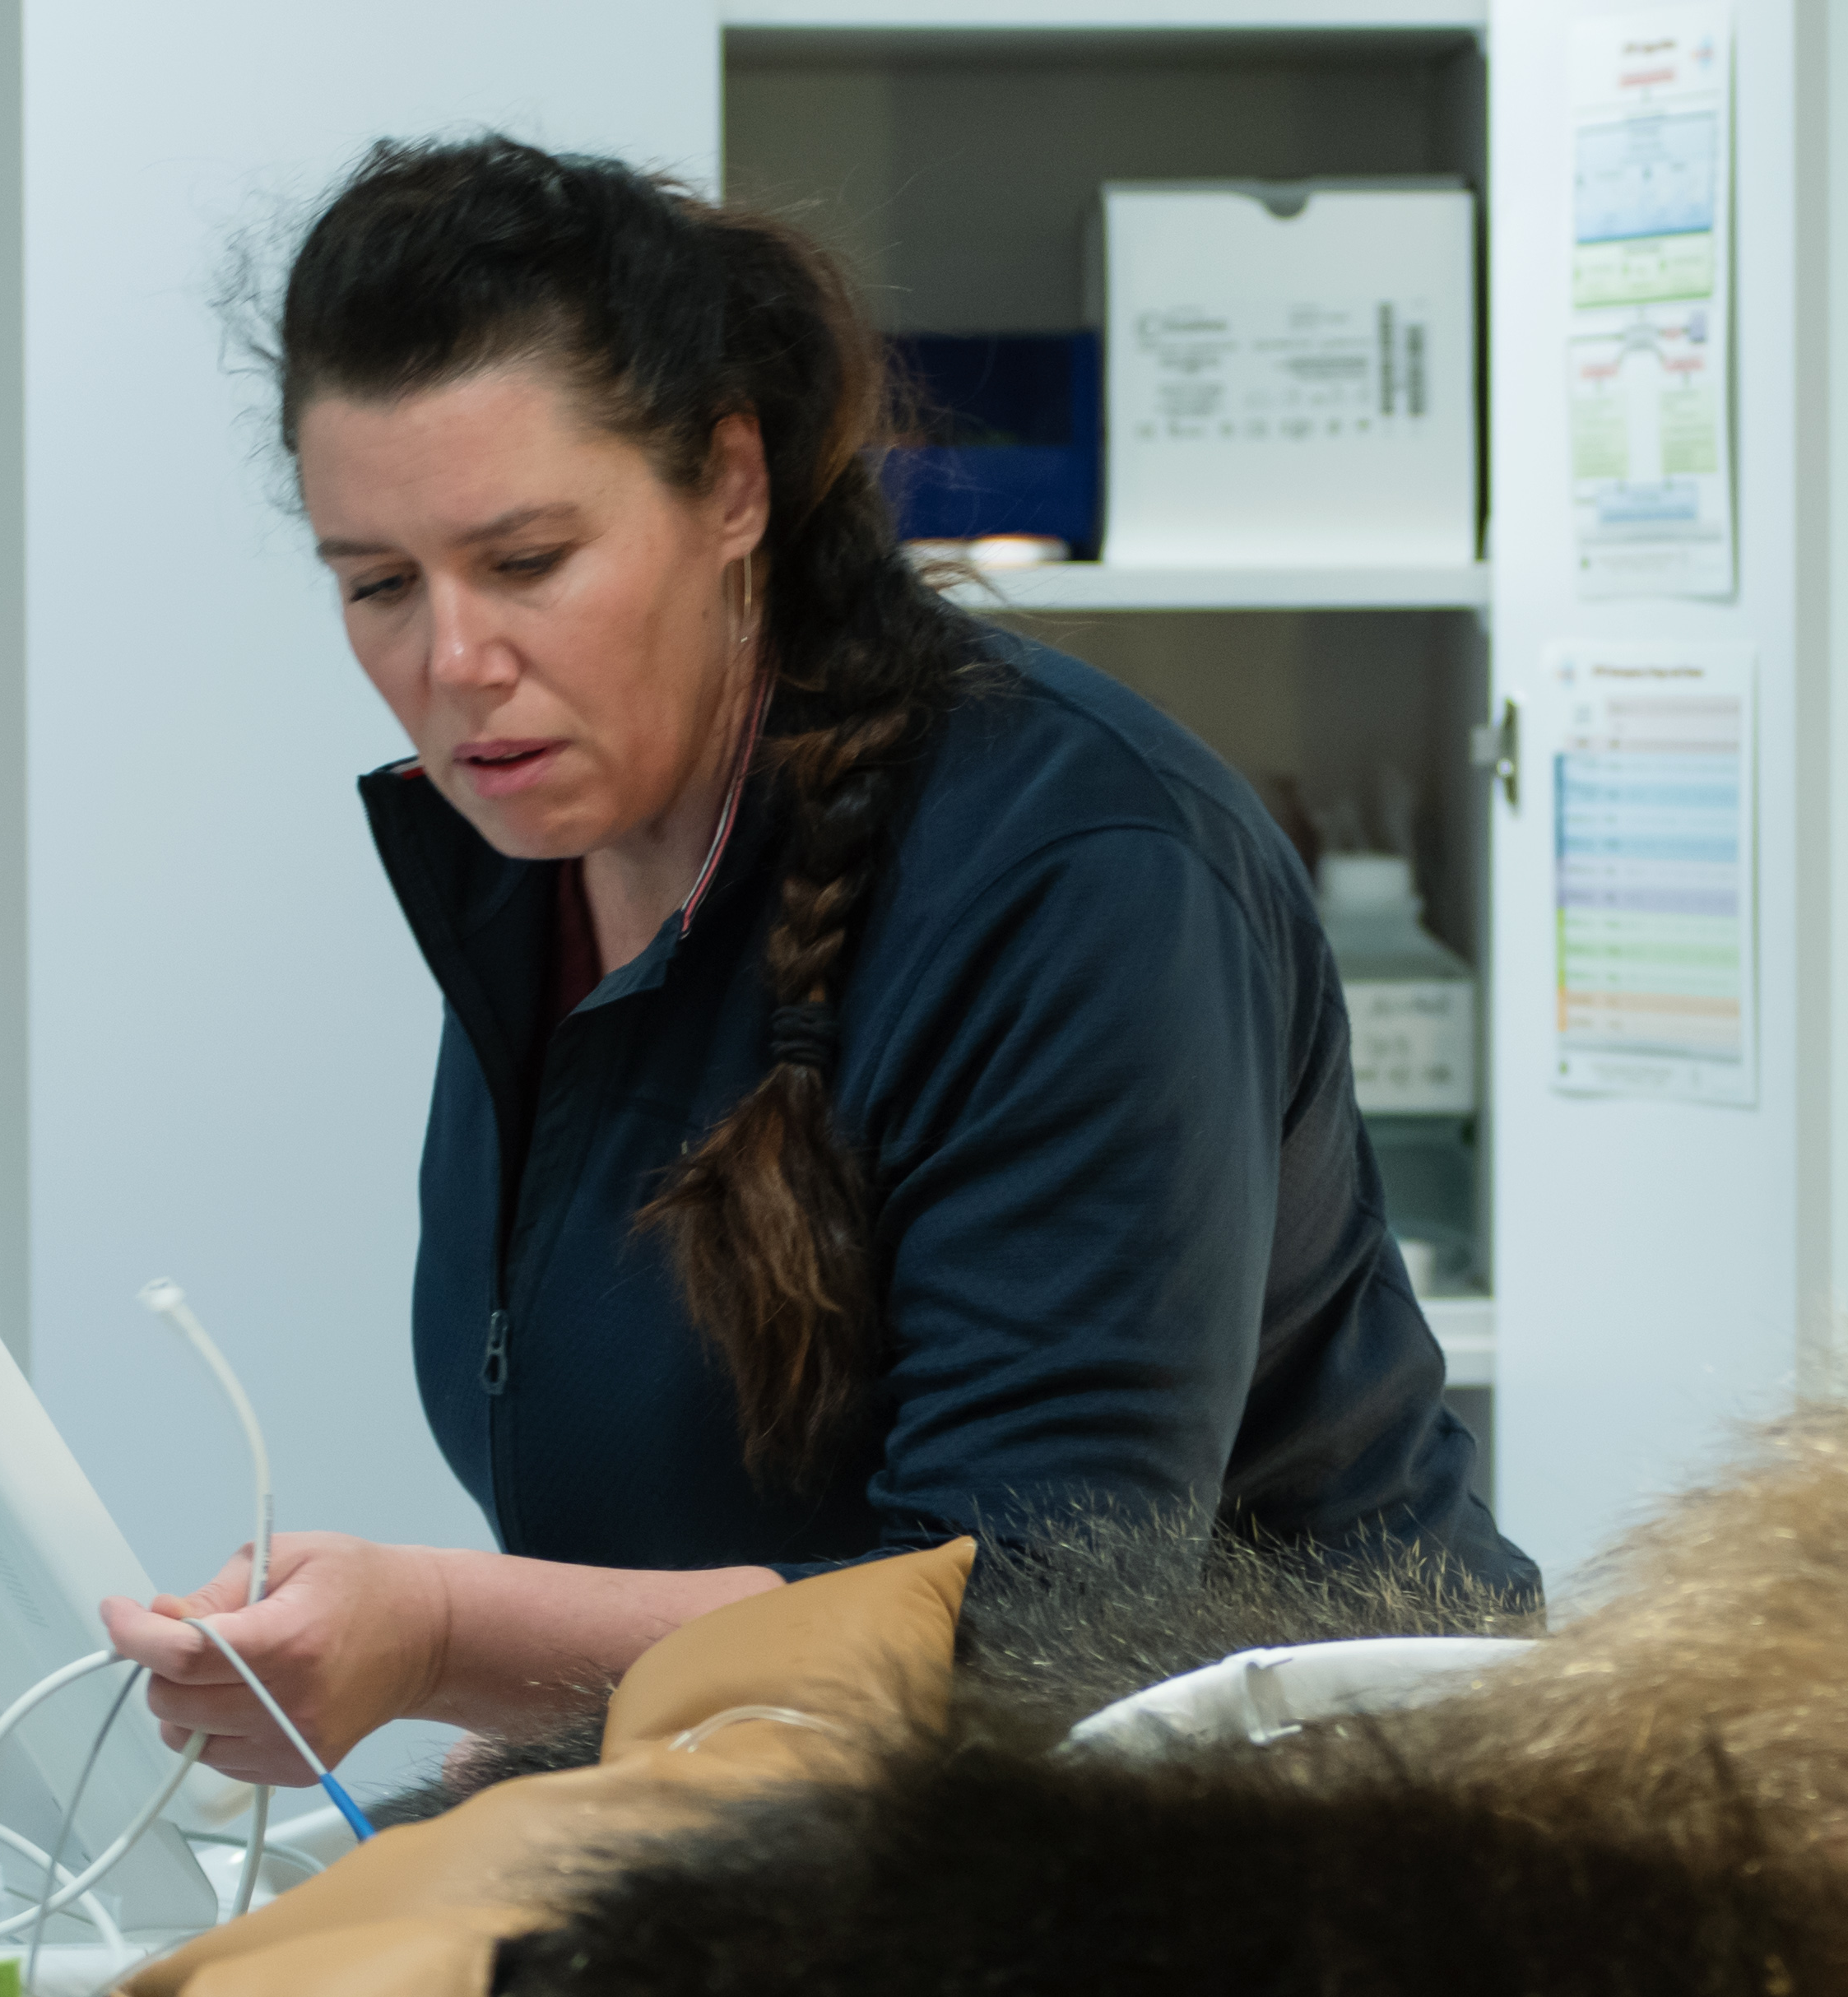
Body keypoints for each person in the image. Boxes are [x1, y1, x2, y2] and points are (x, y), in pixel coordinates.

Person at [102, 136, 1529, 1785]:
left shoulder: (1088, 872)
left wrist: (436, 1636)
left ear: (732, 485)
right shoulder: (538, 850)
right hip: (817, 1826)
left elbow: (1042, 1632)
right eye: (376, 585)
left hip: (1303, 1837)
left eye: (527, 563)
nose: (455, 661)